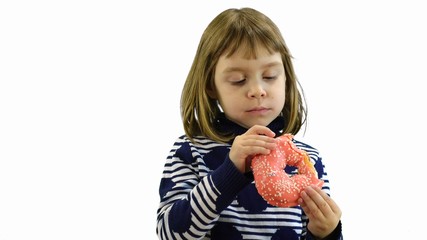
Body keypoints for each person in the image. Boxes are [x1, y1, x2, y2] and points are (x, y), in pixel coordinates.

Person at [156, 7, 343, 240]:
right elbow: (170, 232)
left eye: (270, 76)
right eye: (238, 80)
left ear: (285, 78)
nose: (257, 90)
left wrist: (326, 232)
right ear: (211, 85)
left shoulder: (307, 159)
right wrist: (229, 172)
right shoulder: (190, 151)